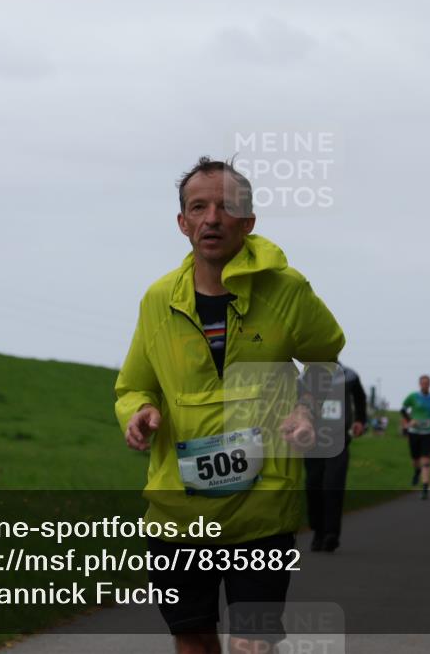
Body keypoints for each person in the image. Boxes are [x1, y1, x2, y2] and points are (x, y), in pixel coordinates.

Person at [114, 157, 345, 654]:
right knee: (193, 639)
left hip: (262, 510)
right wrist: (138, 414)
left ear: (249, 221)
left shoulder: (288, 291)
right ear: (183, 223)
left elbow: (326, 362)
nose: (212, 218)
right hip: (179, 510)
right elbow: (134, 386)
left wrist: (309, 409)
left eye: (226, 207)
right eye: (199, 207)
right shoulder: (158, 300)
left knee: (250, 644)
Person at [304, 364, 367, 552]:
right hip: (312, 441)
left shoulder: (349, 375)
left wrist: (359, 420)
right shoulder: (306, 377)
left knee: (333, 485)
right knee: (313, 486)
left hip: (338, 440)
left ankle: (331, 534)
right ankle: (318, 531)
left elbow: (360, 398)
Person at [400, 374, 430, 499]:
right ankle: (417, 471)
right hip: (414, 432)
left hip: (429, 433)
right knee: (415, 459)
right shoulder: (413, 397)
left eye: (427, 383)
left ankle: (425, 489)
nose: (425, 385)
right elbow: (402, 409)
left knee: (426, 460)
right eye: (423, 383)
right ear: (419, 384)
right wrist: (409, 420)